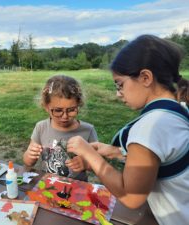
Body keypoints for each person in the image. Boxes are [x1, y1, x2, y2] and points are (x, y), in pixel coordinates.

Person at [67, 35, 189, 225]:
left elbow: (131, 196)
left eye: (120, 84)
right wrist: (116, 152)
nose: (118, 93)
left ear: (145, 77)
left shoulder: (149, 127)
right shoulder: (178, 110)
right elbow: (164, 157)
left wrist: (90, 155)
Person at [23, 75, 98, 180]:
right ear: (46, 107)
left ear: (79, 105)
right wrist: (29, 155)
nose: (65, 116)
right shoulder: (41, 127)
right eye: (58, 110)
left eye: (71, 110)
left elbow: (98, 165)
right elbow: (28, 162)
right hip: (48, 186)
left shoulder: (88, 131)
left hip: (76, 189)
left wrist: (85, 164)